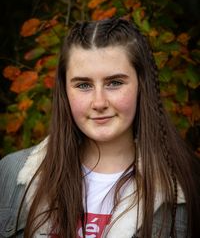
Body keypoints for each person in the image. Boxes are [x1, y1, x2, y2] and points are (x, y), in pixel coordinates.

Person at [0, 17, 200, 238]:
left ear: (142, 86)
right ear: (65, 91)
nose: (99, 103)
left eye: (114, 83)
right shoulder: (12, 174)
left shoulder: (187, 184)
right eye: (83, 85)